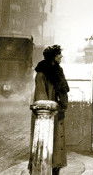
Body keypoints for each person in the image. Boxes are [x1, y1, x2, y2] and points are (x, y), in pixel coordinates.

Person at [29, 45, 69, 175]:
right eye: (59, 54)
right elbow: (42, 99)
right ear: (53, 56)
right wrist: (50, 112)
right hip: (46, 116)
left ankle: (55, 169)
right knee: (46, 142)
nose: (61, 56)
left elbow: (63, 90)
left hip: (57, 113)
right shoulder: (41, 74)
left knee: (57, 142)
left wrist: (61, 106)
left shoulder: (58, 70)